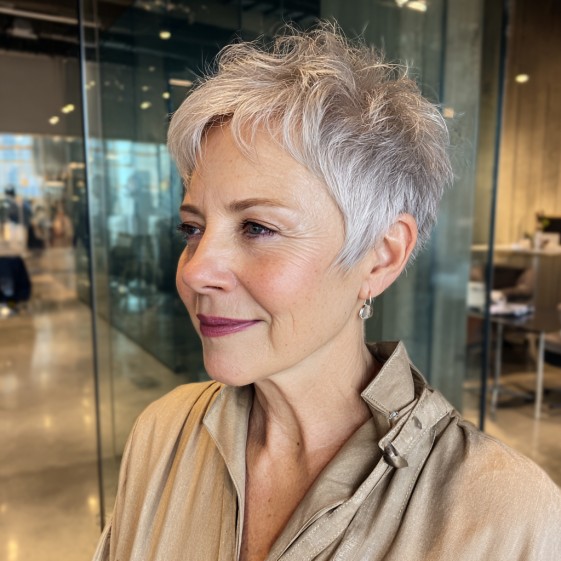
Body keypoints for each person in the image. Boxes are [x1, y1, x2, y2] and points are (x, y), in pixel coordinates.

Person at [93, 24, 561, 561]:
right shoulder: (163, 435)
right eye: (192, 228)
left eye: (257, 228)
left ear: (381, 255)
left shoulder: (506, 517)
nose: (197, 271)